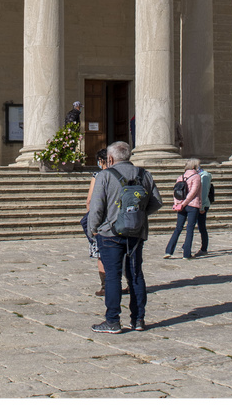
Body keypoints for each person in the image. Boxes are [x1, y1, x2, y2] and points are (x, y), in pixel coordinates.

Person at [86, 140, 162, 334]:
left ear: (110, 158)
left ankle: (112, 320)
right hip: (136, 232)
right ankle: (138, 319)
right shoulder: (144, 174)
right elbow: (157, 202)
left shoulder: (104, 176)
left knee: (113, 277)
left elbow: (96, 207)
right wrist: (138, 216)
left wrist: (92, 228)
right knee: (135, 275)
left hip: (110, 233)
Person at [81, 148, 128, 297]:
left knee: (101, 254)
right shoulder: (127, 174)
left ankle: (105, 286)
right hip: (125, 222)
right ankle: (130, 283)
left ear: (103, 161)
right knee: (125, 255)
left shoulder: (100, 175)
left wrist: (93, 225)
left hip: (103, 225)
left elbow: (90, 202)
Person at [164, 158, 202, 261]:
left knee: (178, 228)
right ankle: (186, 253)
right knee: (189, 229)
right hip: (192, 206)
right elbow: (193, 193)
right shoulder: (196, 177)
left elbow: (176, 192)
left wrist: (178, 204)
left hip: (181, 206)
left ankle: (168, 251)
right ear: (194, 166)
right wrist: (185, 203)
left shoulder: (180, 177)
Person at [195, 161, 213, 257]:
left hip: (203, 205)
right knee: (192, 225)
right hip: (197, 204)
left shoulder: (204, 176)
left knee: (202, 226)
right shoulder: (199, 175)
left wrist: (201, 206)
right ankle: (186, 245)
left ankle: (204, 248)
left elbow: (204, 192)